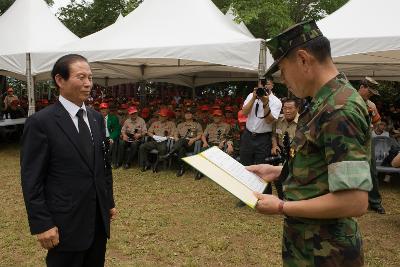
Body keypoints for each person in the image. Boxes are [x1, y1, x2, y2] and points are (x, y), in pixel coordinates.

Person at [247, 21, 372, 266]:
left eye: (282, 70)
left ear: (303, 60)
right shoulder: (323, 102)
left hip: (327, 253)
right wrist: (279, 172)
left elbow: (354, 201)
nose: (282, 79)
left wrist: (282, 206)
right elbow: (325, 168)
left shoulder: (340, 109)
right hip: (310, 245)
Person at [20, 54, 116, 267]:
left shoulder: (96, 118)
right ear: (59, 80)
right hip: (64, 223)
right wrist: (42, 223)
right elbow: (31, 179)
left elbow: (103, 165)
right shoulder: (41, 123)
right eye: (81, 77)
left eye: (90, 77)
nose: (88, 83)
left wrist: (108, 201)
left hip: (97, 219)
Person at [357, 77, 386, 214]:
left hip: (367, 142)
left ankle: (374, 202)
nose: (370, 95)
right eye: (369, 92)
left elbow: (376, 122)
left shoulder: (371, 105)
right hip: (350, 141)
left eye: (372, 94)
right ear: (362, 87)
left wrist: (374, 127)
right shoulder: (348, 100)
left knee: (372, 171)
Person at [240, 78, 282, 167]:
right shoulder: (251, 95)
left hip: (263, 139)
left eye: (267, 84)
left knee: (261, 166)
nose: (264, 86)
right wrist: (253, 98)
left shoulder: (276, 101)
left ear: (272, 86)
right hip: (248, 135)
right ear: (258, 84)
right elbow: (244, 113)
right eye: (262, 84)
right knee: (244, 164)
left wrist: (265, 103)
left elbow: (268, 120)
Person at [265, 98, 300, 200]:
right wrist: (274, 145)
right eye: (285, 108)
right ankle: (281, 198)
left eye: (290, 108)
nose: (287, 111)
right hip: (281, 151)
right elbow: (274, 135)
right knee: (278, 177)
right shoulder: (278, 120)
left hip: (296, 153)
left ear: (297, 108)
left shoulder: (303, 121)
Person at [161, 107, 203, 176]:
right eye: (186, 113)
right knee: (181, 148)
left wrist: (193, 139)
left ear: (192, 115)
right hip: (181, 143)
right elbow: (175, 133)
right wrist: (176, 138)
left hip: (191, 144)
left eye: (189, 113)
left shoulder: (197, 124)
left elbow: (200, 135)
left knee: (182, 141)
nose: (188, 114)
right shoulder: (180, 124)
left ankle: (169, 154)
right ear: (184, 115)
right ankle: (181, 168)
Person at [139, 108, 176, 172]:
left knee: (163, 149)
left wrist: (165, 138)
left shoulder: (171, 124)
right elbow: (149, 132)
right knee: (142, 147)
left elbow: (173, 134)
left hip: (164, 141)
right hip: (154, 140)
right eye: (160, 116)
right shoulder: (155, 123)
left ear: (167, 117)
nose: (161, 117)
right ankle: (146, 163)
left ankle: (157, 165)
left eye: (163, 116)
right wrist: (154, 136)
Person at [99, 102, 121, 169]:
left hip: (110, 136)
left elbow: (117, 129)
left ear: (108, 109)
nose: (103, 110)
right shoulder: (96, 118)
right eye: (102, 109)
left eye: (105, 108)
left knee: (111, 145)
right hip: (101, 137)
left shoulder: (113, 118)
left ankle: (113, 162)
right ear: (100, 110)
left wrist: (111, 137)